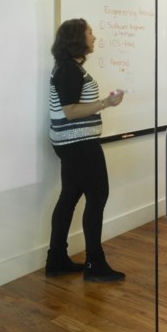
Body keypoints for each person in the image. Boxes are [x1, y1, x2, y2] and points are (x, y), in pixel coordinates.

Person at [46, 18, 126, 282]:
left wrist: (106, 103)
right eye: (91, 33)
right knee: (98, 195)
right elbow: (71, 112)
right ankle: (95, 264)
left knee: (69, 197)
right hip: (78, 144)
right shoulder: (69, 70)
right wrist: (106, 103)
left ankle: (56, 259)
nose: (95, 37)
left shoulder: (69, 68)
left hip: (72, 144)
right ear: (77, 39)